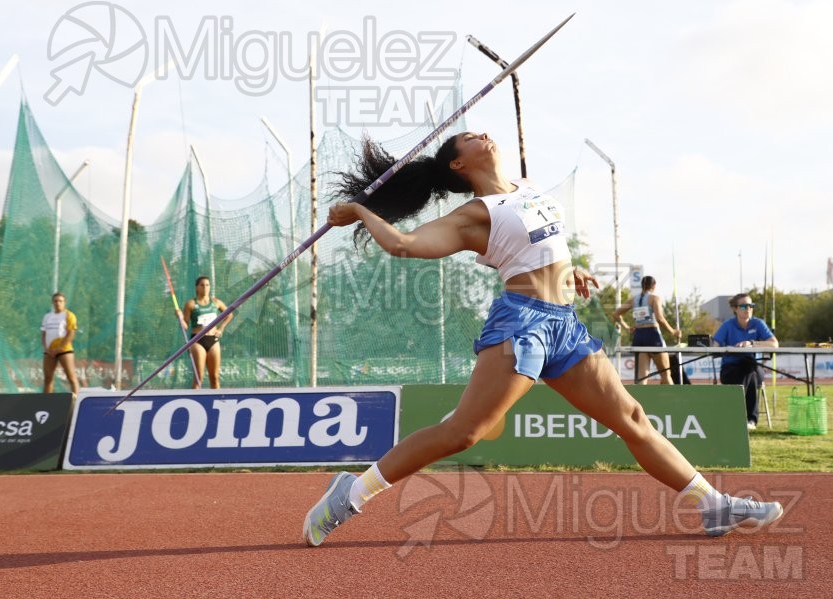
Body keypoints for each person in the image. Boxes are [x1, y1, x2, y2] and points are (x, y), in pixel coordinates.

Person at [303, 132, 782, 546]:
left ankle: (713, 504)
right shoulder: (474, 214)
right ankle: (350, 493)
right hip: (522, 325)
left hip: (565, 323)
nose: (482, 135)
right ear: (458, 164)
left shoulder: (529, 190)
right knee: (464, 433)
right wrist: (361, 212)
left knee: (633, 417)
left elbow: (542, 245)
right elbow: (404, 246)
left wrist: (570, 270)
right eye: (469, 138)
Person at [712, 293, 778, 431]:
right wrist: (728, 348)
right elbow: (714, 347)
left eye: (750, 306)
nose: (747, 309)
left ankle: (737, 416)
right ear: (735, 309)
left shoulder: (758, 323)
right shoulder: (727, 325)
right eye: (743, 306)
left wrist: (752, 343)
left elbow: (774, 344)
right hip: (731, 369)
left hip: (752, 366)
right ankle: (750, 420)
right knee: (749, 373)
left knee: (750, 370)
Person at [612, 276, 680, 384]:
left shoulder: (633, 300)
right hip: (653, 336)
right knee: (665, 374)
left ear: (642, 286)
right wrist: (673, 332)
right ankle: (672, 400)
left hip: (639, 337)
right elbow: (659, 319)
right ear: (653, 286)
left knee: (642, 378)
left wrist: (627, 327)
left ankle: (641, 401)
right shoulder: (654, 298)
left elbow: (616, 314)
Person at [179, 276, 231, 389]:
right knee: (199, 377)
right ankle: (194, 402)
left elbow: (229, 314)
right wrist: (180, 317)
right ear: (197, 287)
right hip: (197, 341)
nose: (205, 287)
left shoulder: (216, 302)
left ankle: (218, 403)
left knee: (215, 376)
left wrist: (221, 329)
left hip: (213, 340)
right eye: (202, 285)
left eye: (207, 285)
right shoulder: (191, 304)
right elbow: (185, 326)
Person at [41, 292, 80, 396]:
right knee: (48, 378)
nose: (58, 303)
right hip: (49, 352)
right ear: (52, 303)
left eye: (60, 301)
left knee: (71, 377)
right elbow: (44, 334)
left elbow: (71, 333)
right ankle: (46, 402)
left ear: (64, 302)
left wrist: (59, 348)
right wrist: (46, 348)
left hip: (65, 350)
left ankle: (76, 401)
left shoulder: (69, 315)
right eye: (55, 301)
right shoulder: (47, 316)